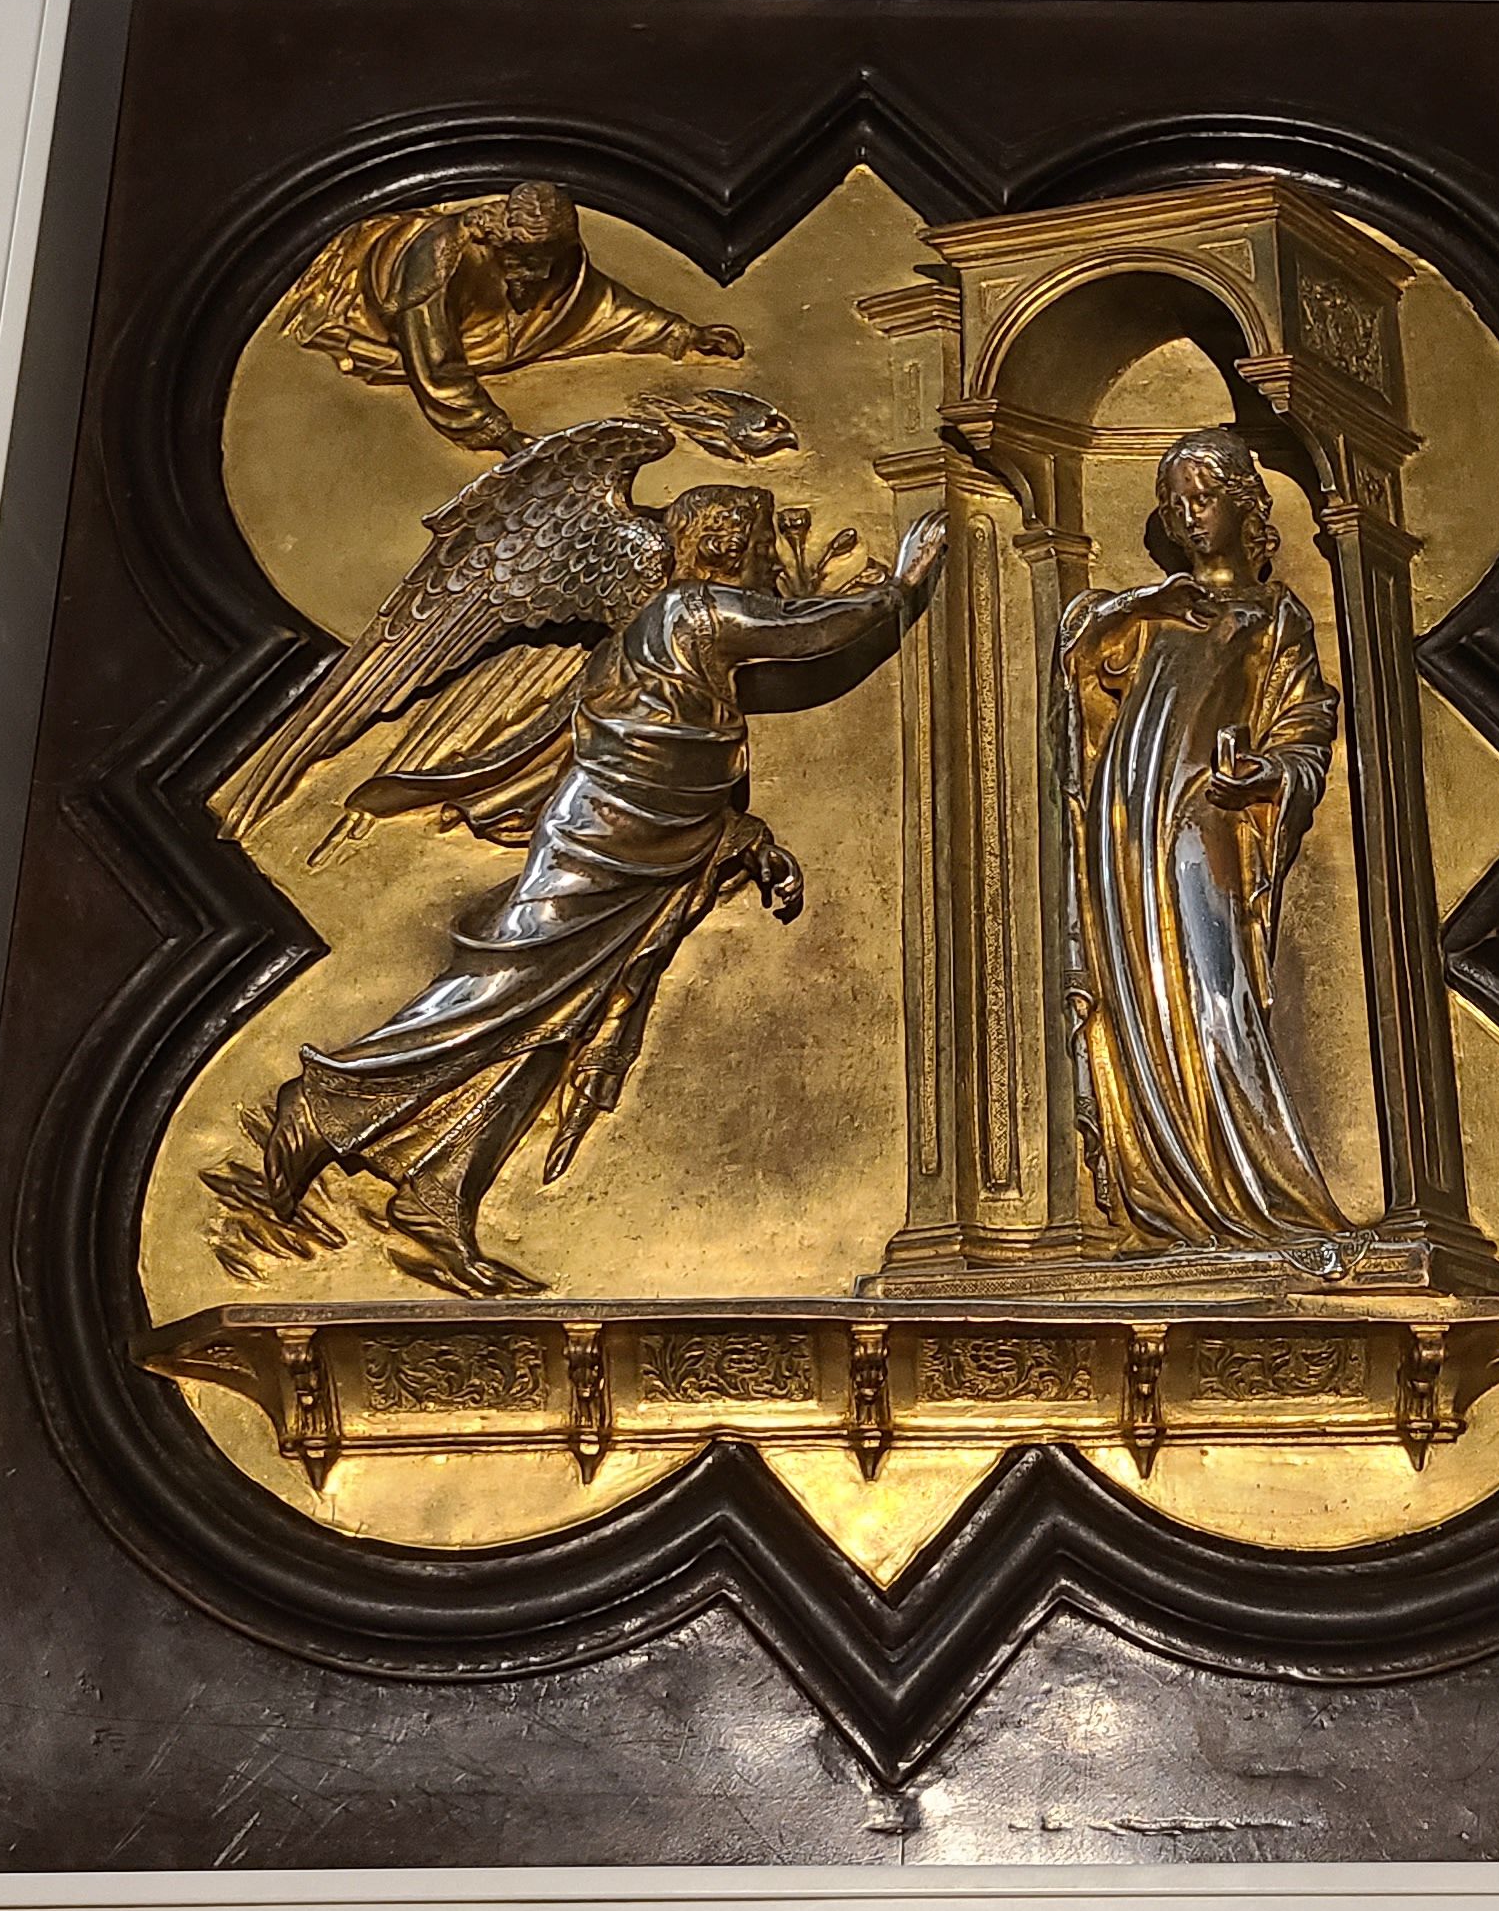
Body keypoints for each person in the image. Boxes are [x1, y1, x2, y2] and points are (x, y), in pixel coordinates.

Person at [206, 486, 946, 1297]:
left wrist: (743, 839)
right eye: (756, 539)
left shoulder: (675, 633)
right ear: (721, 540)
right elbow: (802, 633)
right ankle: (326, 1102)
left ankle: (439, 1195)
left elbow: (680, 755)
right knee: (506, 984)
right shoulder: (687, 612)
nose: (764, 555)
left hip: (653, 842)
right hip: (602, 837)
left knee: (562, 1020)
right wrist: (898, 589)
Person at [1059, 427, 1358, 1263]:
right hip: (1124, 825)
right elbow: (1078, 664)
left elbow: (1306, 724)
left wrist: (1269, 771)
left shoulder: (1274, 616)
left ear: (1243, 505)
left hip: (1205, 815)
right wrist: (1147, 605)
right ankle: (1162, 1179)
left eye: (1204, 498)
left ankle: (1259, 1186)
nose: (1189, 516)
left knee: (1214, 989)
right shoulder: (1149, 613)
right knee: (1138, 990)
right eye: (1175, 503)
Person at [265, 181, 744, 455]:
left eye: (549, 261)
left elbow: (596, 306)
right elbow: (436, 366)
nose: (541, 274)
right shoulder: (440, 263)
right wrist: (499, 434)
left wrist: (681, 334)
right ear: (500, 242)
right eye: (529, 260)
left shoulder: (552, 261)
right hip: (387, 325)